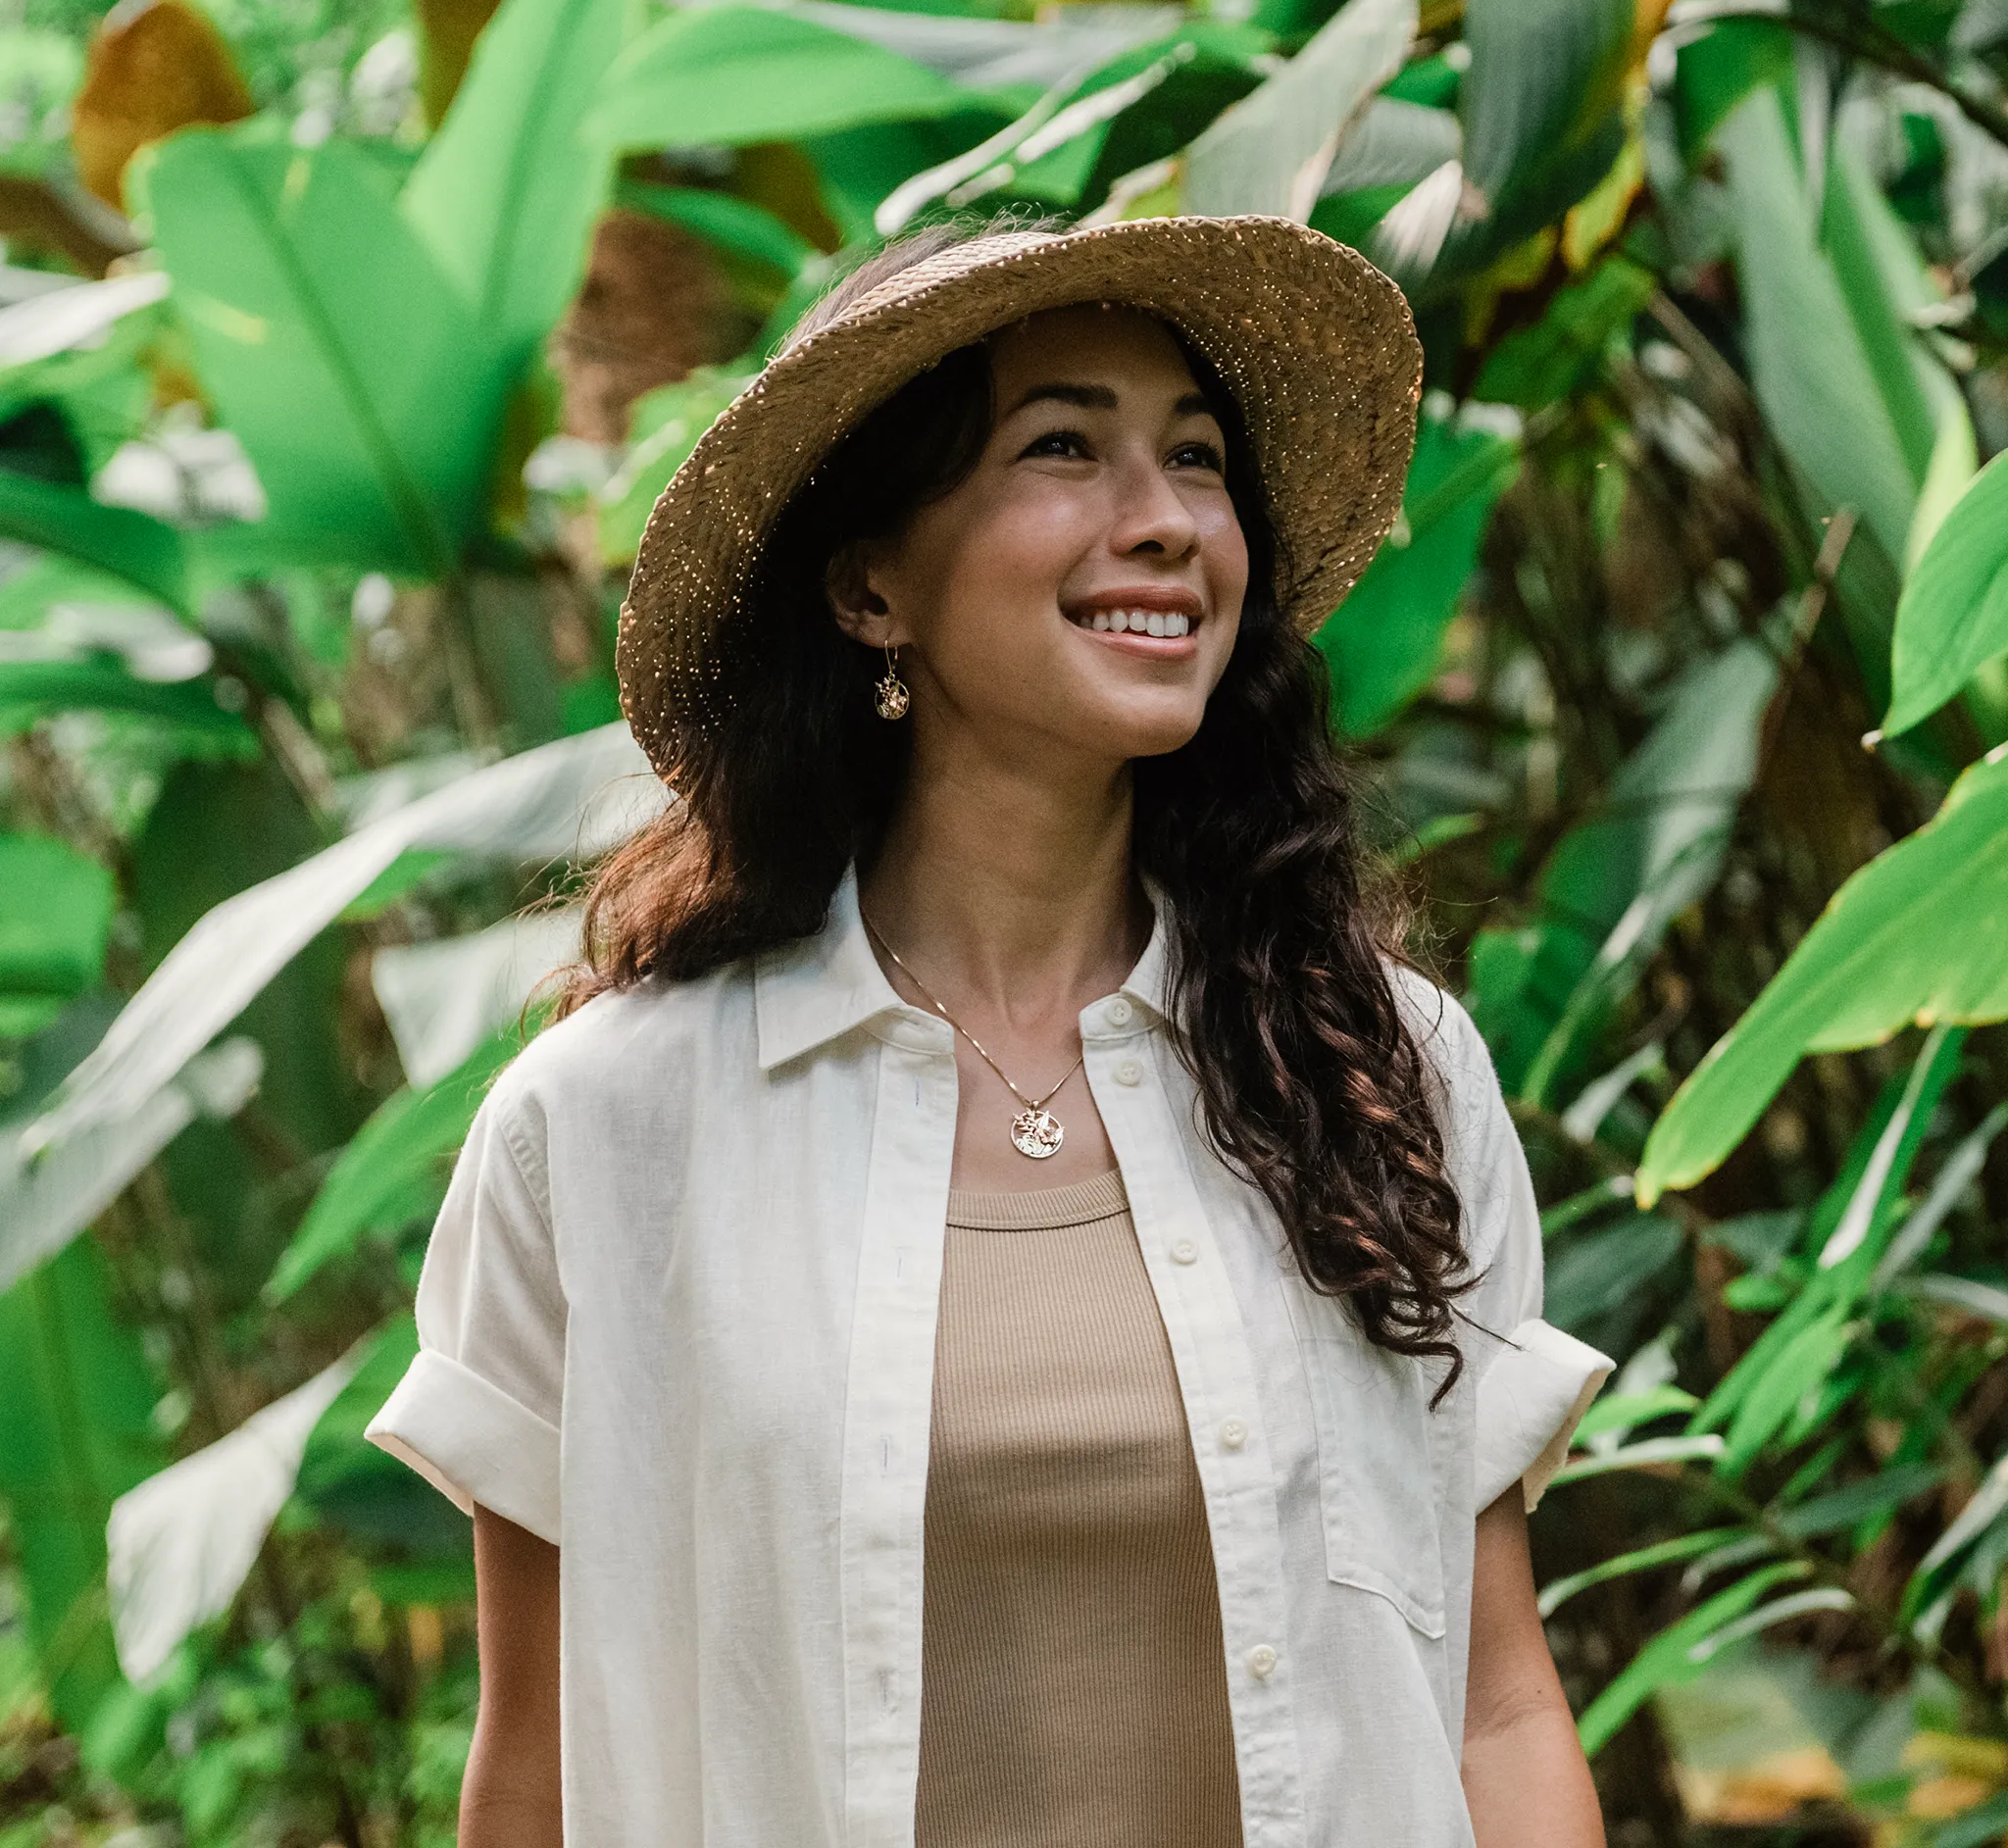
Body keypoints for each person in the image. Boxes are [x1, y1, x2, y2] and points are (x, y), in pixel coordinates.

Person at [369, 213, 1614, 1848]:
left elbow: (1500, 1700)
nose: (1164, 521)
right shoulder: (606, 1131)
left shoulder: (1382, 1073)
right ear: (871, 582)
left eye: (1194, 458)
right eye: (1062, 448)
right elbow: (537, 1766)